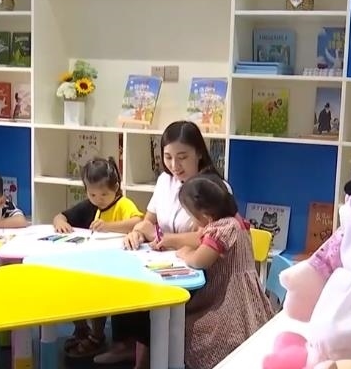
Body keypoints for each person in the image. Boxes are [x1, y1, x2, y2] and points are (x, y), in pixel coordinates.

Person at [109, 174, 274, 368]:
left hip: (229, 301)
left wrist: (184, 253)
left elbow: (200, 260)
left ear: (205, 216)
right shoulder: (235, 221)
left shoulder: (221, 229)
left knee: (187, 328)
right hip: (244, 295)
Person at [52, 157, 145, 359]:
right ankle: (82, 329)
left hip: (120, 267)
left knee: (99, 295)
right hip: (96, 263)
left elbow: (138, 221)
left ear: (116, 188)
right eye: (92, 194)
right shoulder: (91, 205)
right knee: (74, 286)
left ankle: (97, 335)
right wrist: (60, 223)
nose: (98, 199)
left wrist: (109, 226)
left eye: (104, 194)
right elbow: (60, 216)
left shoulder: (123, 204)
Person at [125, 120, 231, 252]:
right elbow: (148, 222)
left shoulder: (216, 188)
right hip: (164, 258)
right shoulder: (164, 180)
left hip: (198, 261)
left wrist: (160, 237)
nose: (174, 166)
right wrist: (137, 234)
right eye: (168, 157)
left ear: (199, 153)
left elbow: (211, 238)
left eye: (182, 157)